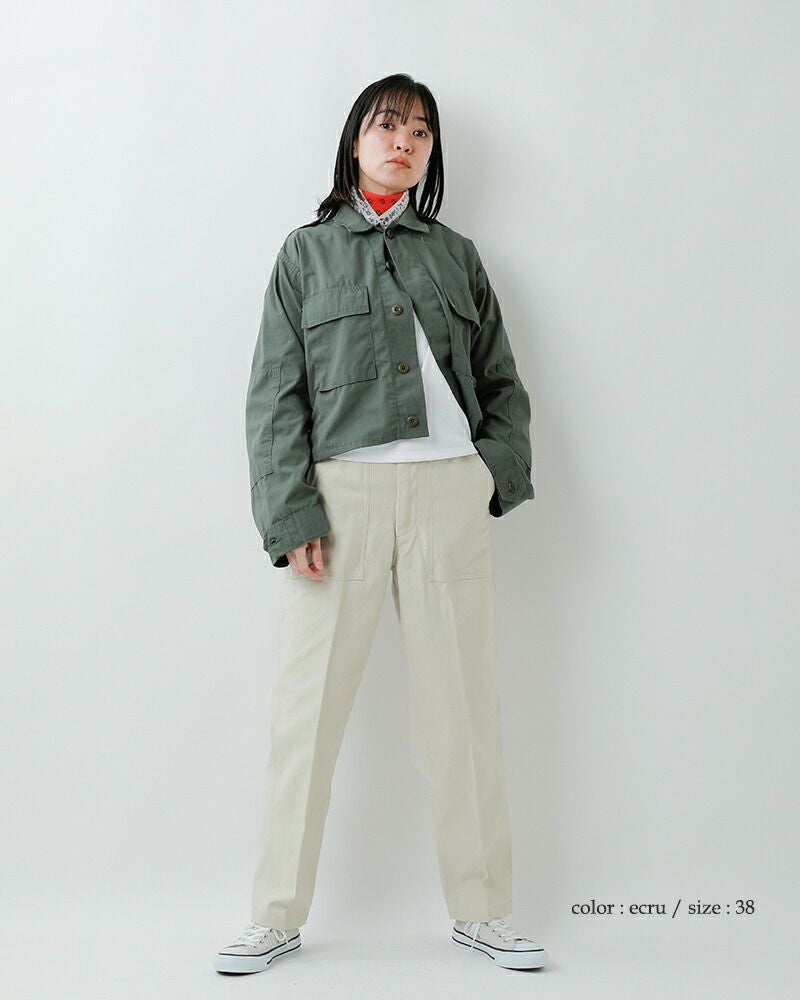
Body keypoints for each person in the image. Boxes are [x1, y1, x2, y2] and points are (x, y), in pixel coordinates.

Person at [214, 73, 548, 975]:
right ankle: (274, 915)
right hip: (340, 506)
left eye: (421, 132)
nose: (405, 141)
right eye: (388, 125)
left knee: (463, 715)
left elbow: (503, 382)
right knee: (306, 716)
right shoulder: (306, 254)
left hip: (448, 498)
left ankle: (484, 911)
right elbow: (273, 397)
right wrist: (290, 511)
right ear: (354, 140)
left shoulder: (458, 255)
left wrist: (490, 475)